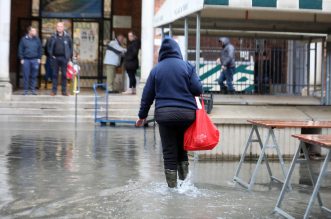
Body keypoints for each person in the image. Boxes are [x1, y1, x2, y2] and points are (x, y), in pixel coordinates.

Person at [136, 37, 203, 188]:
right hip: (187, 115)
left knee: (169, 152)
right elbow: (198, 89)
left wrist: (142, 116)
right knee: (182, 148)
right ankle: (185, 186)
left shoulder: (156, 70)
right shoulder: (187, 66)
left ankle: (172, 189)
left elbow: (147, 96)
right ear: (177, 50)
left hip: (165, 116)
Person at [48, 22, 73, 96]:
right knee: (54, 75)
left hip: (64, 58)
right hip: (55, 58)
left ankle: (64, 91)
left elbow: (71, 48)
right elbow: (48, 47)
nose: (59, 28)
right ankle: (54, 91)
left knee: (64, 75)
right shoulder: (52, 37)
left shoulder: (68, 37)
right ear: (56, 28)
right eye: (58, 26)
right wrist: (51, 55)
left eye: (61, 26)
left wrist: (69, 58)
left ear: (63, 28)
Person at [18, 26, 42, 95]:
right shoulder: (23, 39)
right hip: (26, 60)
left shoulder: (37, 39)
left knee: (34, 75)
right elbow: (20, 49)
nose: (35, 32)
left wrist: (39, 58)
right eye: (34, 31)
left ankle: (33, 90)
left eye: (35, 31)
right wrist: (21, 58)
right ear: (29, 31)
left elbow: (40, 49)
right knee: (26, 75)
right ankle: (25, 90)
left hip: (35, 60)